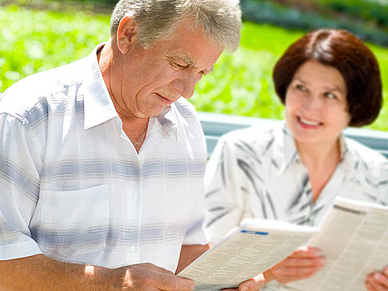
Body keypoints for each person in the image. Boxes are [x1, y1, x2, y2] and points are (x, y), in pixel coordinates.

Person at [0, 0, 265, 290]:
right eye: (181, 63)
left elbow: (186, 249)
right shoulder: (30, 117)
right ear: (128, 35)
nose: (188, 90)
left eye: (202, 73)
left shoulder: (185, 125)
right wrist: (110, 284)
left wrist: (225, 279)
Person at [204, 28, 388, 291]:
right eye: (301, 88)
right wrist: (267, 273)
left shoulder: (379, 175)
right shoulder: (240, 153)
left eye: (330, 95)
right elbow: (202, 273)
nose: (310, 107)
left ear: (355, 105)